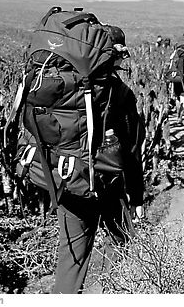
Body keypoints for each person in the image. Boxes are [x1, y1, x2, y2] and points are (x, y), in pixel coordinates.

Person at [51, 50, 145, 293]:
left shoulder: (64, 88)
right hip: (108, 186)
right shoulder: (120, 93)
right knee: (124, 244)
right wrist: (136, 196)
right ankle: (112, 291)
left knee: (71, 262)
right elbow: (132, 150)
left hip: (68, 184)